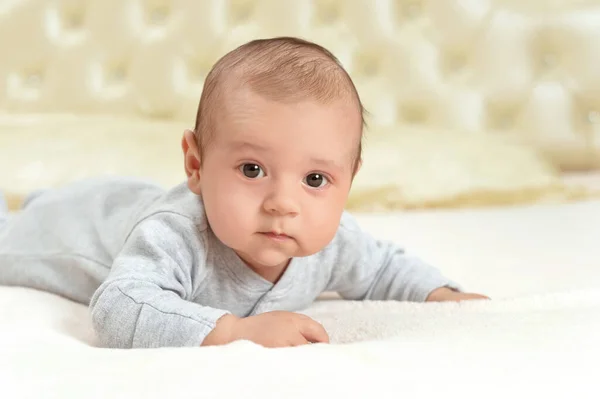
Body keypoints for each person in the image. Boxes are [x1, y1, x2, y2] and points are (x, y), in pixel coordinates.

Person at [0, 37, 488, 349]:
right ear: (196, 165)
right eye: (252, 169)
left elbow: (383, 267)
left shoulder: (333, 241)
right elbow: (119, 305)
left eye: (315, 180)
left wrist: (439, 294)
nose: (282, 202)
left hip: (126, 203)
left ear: (349, 181)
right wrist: (233, 331)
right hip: (70, 224)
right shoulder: (176, 236)